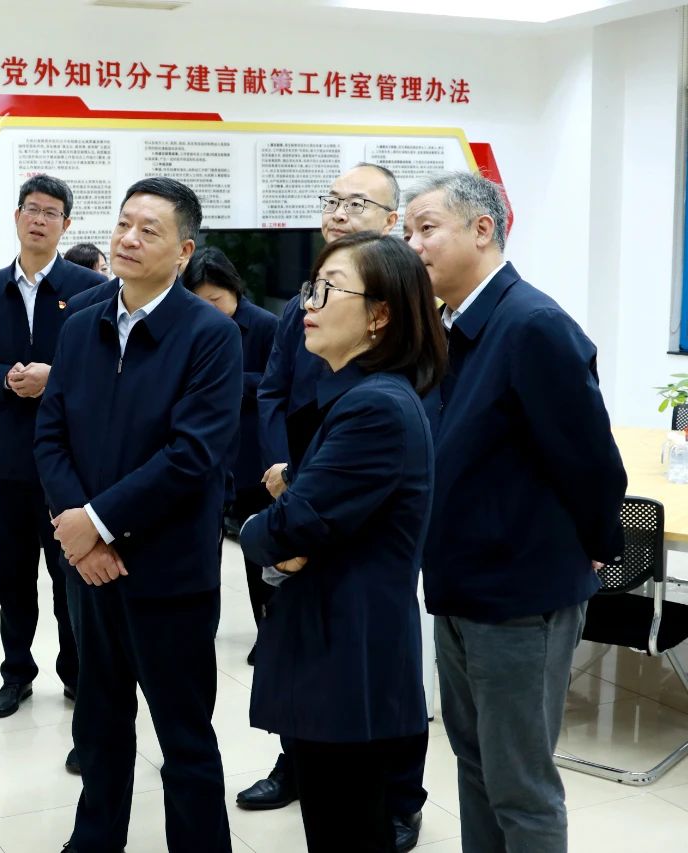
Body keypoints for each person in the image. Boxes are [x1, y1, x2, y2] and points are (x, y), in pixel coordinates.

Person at [403, 171, 627, 853]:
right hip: (460, 584)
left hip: (519, 594)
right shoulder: (450, 326)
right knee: (475, 765)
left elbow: (591, 459)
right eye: (407, 231)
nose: (413, 245)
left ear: (482, 229)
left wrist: (597, 543)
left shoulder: (532, 325)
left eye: (426, 228)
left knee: (520, 785)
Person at [35, 177, 240, 853]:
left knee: (184, 735)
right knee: (98, 722)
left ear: (183, 251)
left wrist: (95, 521)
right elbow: (51, 433)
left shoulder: (211, 335)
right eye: (124, 223)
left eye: (149, 230)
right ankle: (94, 840)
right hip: (90, 571)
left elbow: (191, 455)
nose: (128, 238)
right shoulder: (80, 325)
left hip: (168, 571)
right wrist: (80, 533)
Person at [240, 162, 430, 853]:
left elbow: (285, 528)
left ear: (380, 315)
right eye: (311, 288)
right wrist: (288, 527)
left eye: (329, 290)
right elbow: (303, 522)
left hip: (346, 653)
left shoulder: (374, 408)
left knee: (346, 827)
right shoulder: (354, 396)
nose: (309, 304)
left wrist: (262, 527)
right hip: (333, 644)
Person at [0, 175, 107, 727]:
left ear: (67, 224)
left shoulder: (91, 289)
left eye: (51, 212)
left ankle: (76, 671)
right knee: (12, 575)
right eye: (31, 209)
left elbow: (104, 366)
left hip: (68, 462)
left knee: (70, 575)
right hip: (5, 459)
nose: (39, 220)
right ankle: (16, 672)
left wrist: (52, 377)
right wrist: (4, 379)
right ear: (17, 217)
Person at [183, 245, 278, 544]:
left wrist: (229, 383)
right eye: (199, 302)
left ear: (234, 288)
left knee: (257, 544)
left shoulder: (266, 324)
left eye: (215, 300)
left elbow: (277, 382)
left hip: (250, 454)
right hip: (205, 451)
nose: (208, 310)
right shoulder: (191, 326)